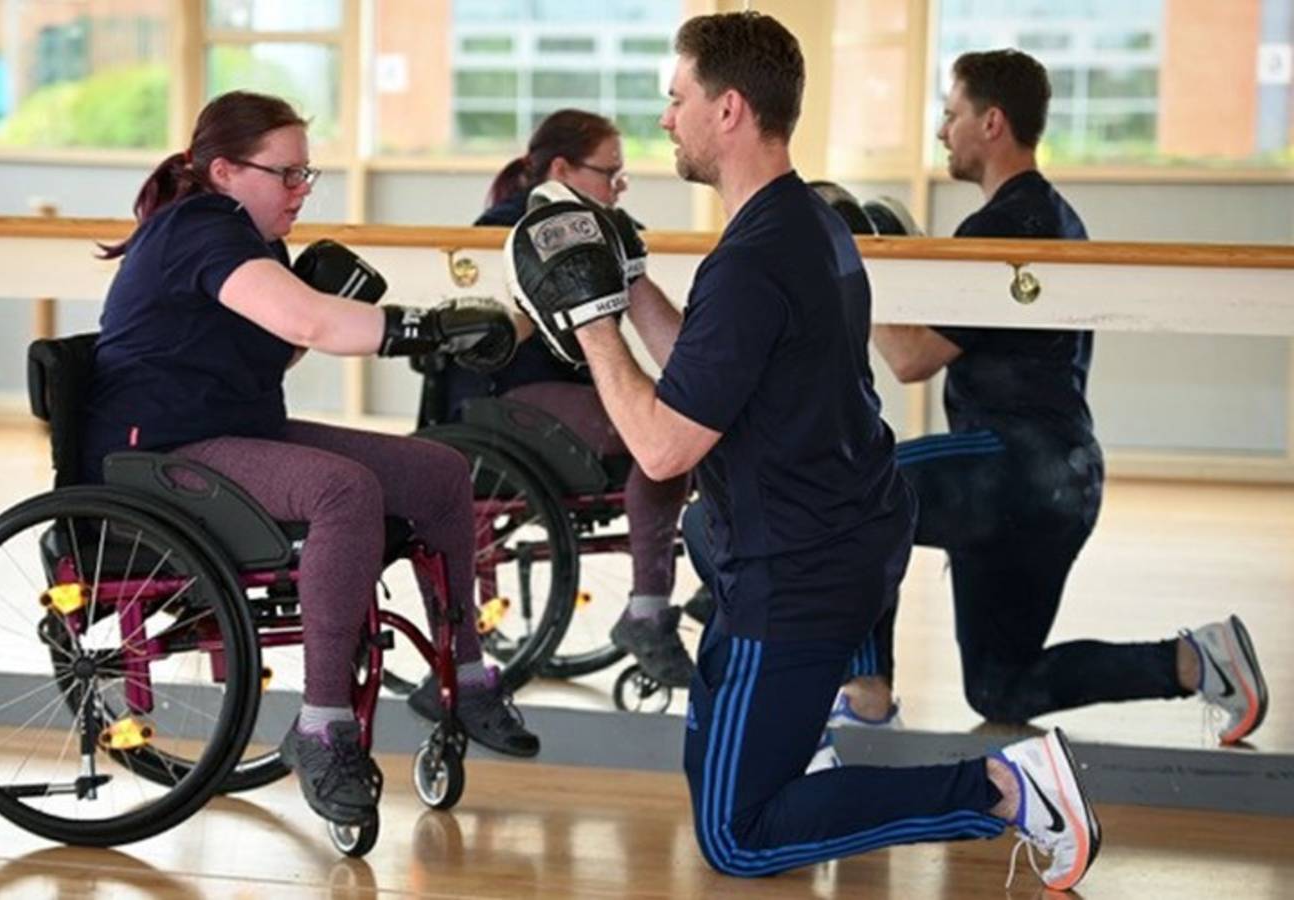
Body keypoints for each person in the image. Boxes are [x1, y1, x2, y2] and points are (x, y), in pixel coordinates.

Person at [505, 14, 1099, 891]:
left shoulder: (755, 259)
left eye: (677, 99)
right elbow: (711, 372)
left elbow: (664, 446)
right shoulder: (799, 224)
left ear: (730, 108)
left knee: (738, 835)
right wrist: (627, 283)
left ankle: (1010, 789)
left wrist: (593, 329)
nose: (666, 119)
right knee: (719, 775)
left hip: (798, 565)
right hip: (825, 534)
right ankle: (805, 745)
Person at [82, 90, 540, 830]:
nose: (301, 190)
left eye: (307, 175)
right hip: (159, 452)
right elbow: (311, 323)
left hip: (234, 433)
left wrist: (354, 313)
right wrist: (434, 329)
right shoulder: (199, 229)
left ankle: (465, 671)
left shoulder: (254, 242)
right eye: (286, 174)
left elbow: (281, 343)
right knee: (343, 491)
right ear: (225, 170)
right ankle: (323, 724)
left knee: (440, 473)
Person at [814, 48, 1267, 749]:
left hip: (1012, 466)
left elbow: (908, 358)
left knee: (856, 491)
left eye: (951, 114)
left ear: (991, 122)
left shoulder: (1002, 227)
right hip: (1069, 481)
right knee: (1002, 686)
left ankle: (866, 693)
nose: (942, 131)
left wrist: (845, 255)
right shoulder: (1056, 216)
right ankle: (1196, 661)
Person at [428, 108, 694, 685]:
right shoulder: (498, 231)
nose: (617, 188)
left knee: (684, 431)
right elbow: (490, 339)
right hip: (501, 397)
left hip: (567, 393)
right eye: (609, 174)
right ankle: (650, 610)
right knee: (658, 427)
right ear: (561, 169)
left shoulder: (605, 227)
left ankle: (663, 600)